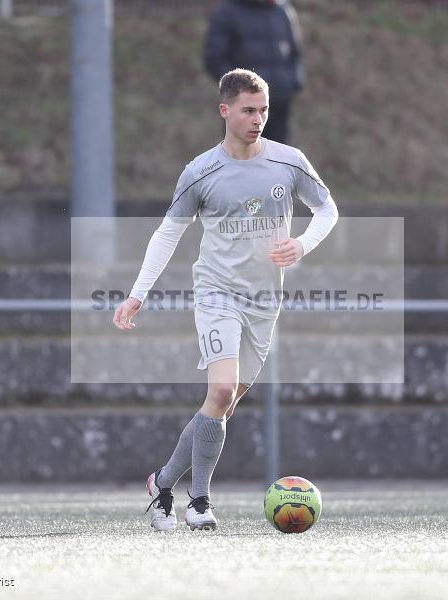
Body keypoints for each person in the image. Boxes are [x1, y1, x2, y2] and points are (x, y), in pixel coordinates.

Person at [112, 68, 338, 531]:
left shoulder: (289, 162)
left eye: (264, 110)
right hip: (217, 293)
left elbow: (327, 209)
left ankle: (162, 483)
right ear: (224, 111)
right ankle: (199, 502)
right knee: (219, 391)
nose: (258, 119)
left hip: (264, 301)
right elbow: (167, 234)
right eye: (248, 110)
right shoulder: (201, 171)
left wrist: (302, 244)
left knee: (223, 404)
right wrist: (137, 294)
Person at [203, 0, 304, 144]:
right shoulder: (227, 12)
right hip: (242, 107)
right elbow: (214, 59)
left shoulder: (282, 10)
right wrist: (239, 90)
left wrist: (294, 82)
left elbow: (295, 53)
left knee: (279, 155)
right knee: (241, 155)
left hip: (279, 103)